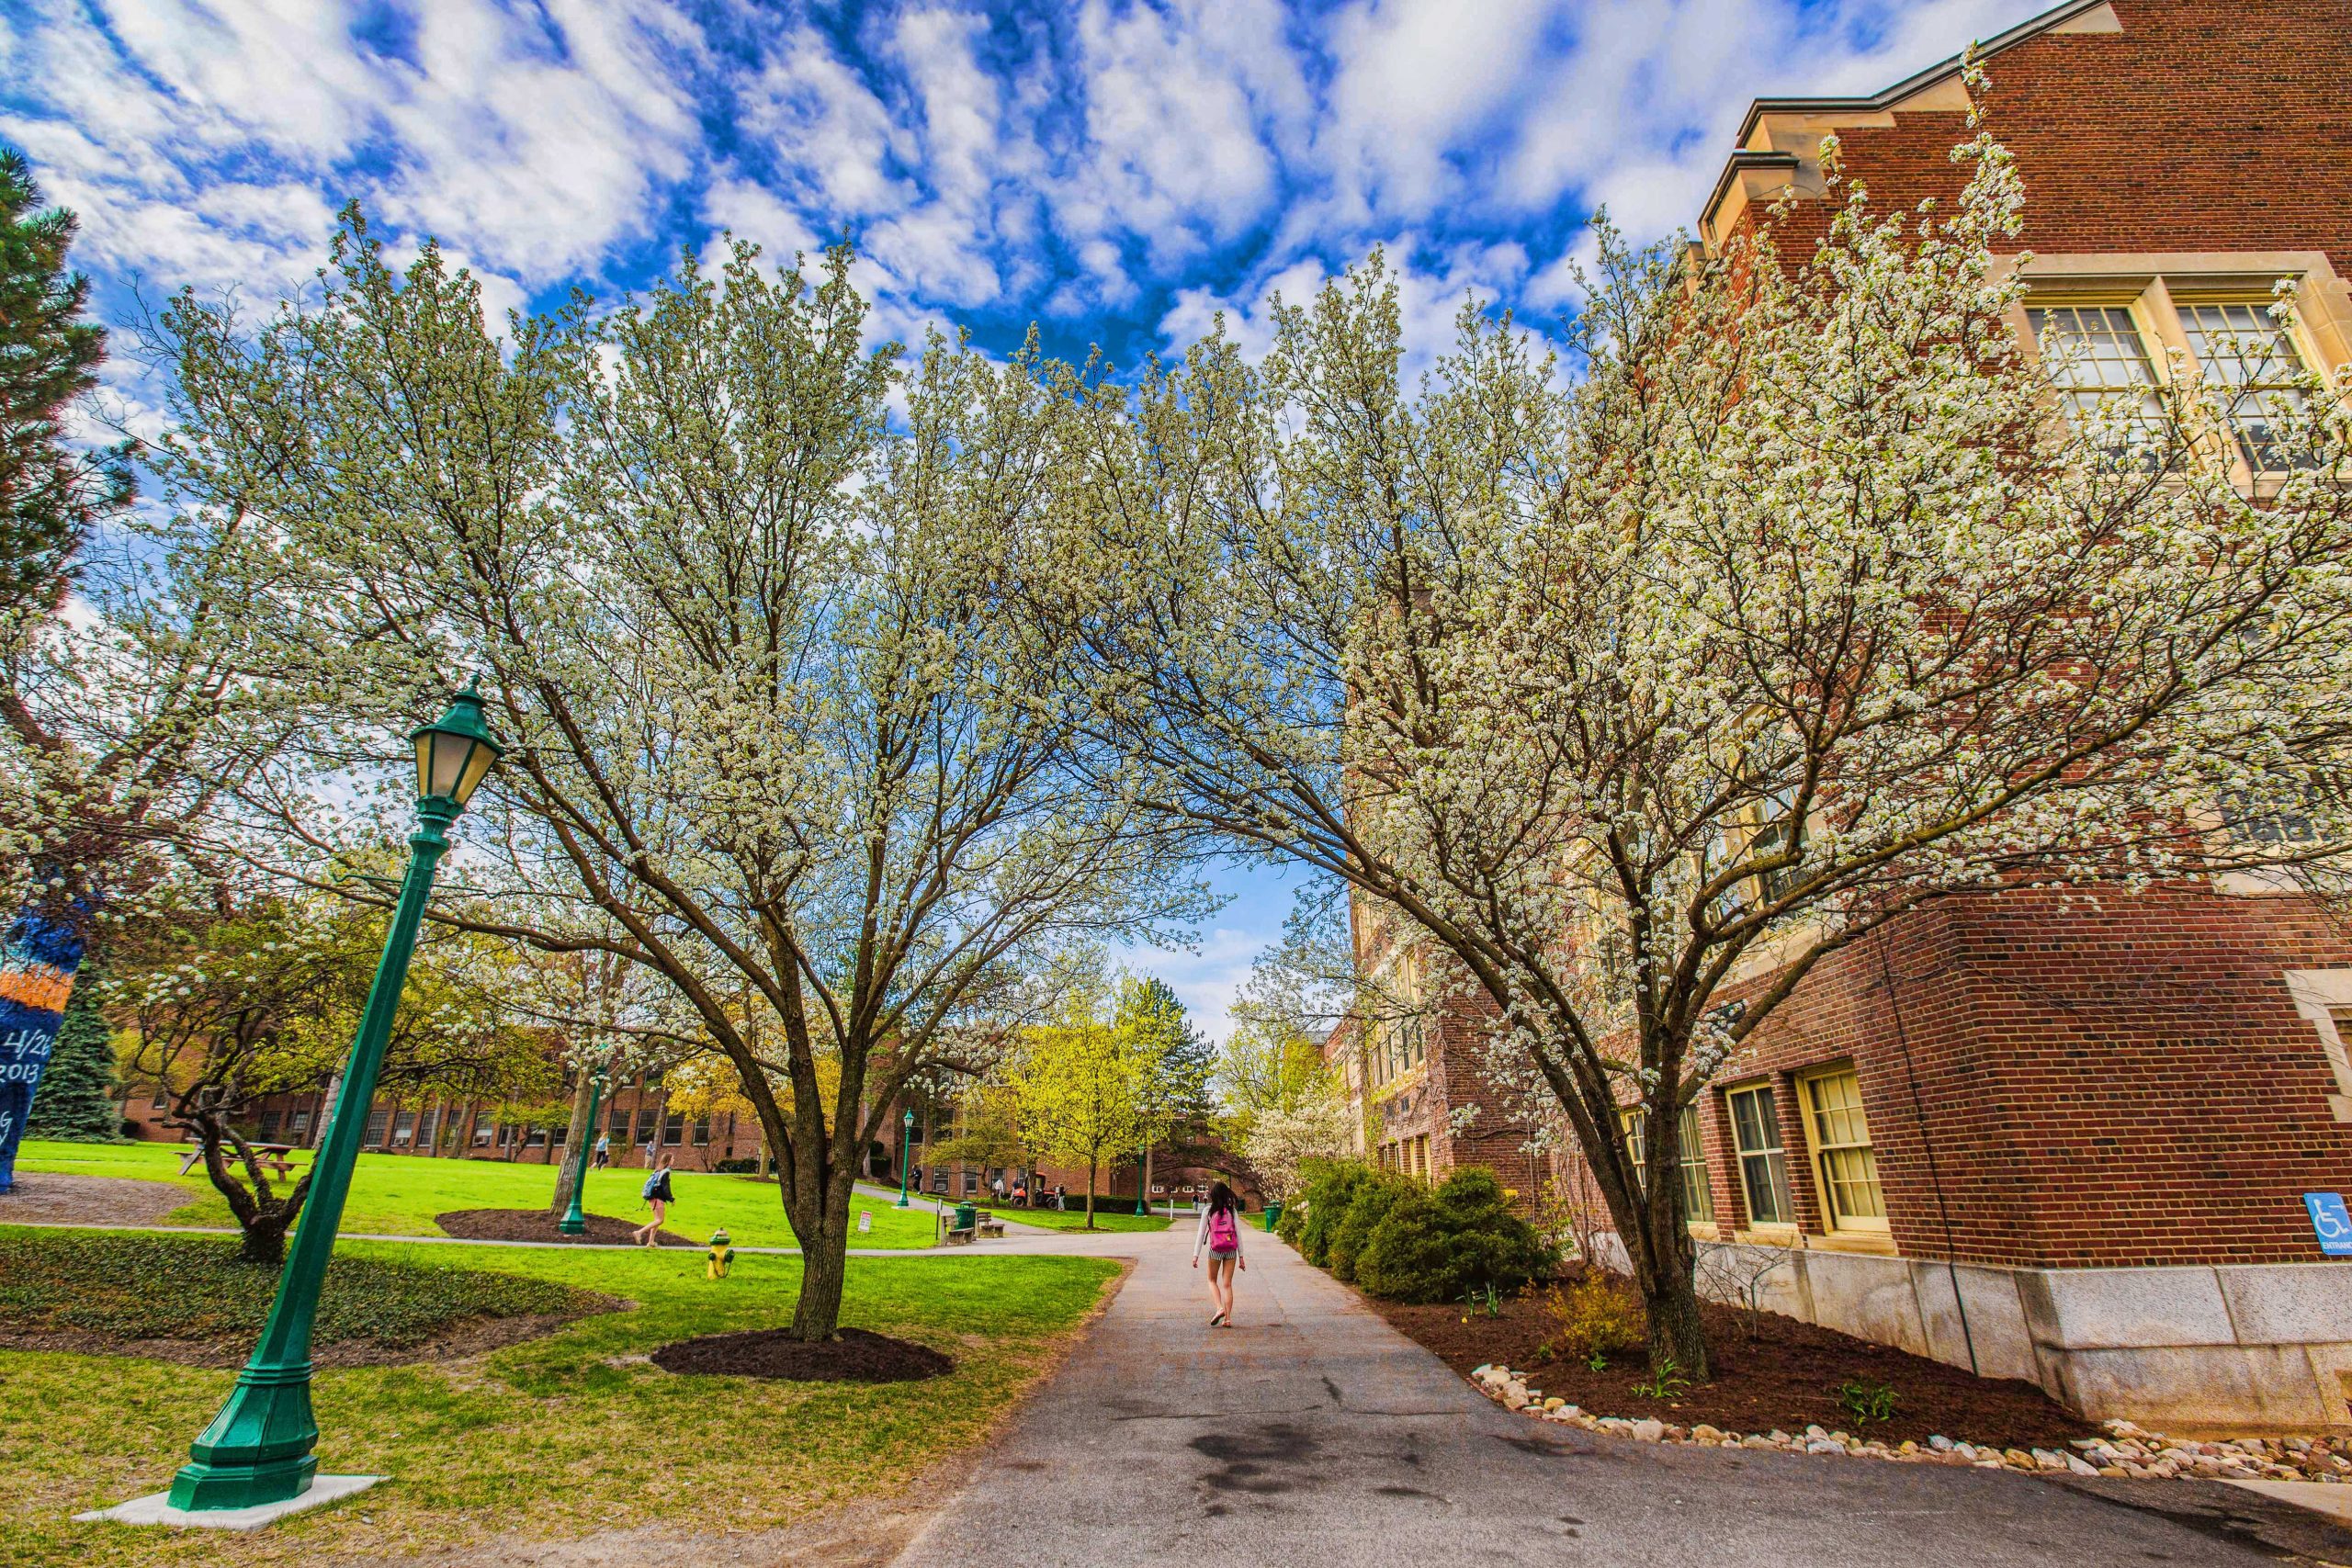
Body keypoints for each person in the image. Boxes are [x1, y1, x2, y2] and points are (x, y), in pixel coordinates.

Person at [1192, 1181, 1246, 1326]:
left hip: (1215, 1250)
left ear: (1213, 1195)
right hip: (1231, 1250)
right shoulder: (1232, 1211)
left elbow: (1201, 1234)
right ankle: (1227, 1319)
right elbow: (1238, 1234)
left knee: (1211, 1280)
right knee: (1227, 1284)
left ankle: (1219, 1308)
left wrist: (1196, 1255)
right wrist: (1241, 1256)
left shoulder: (1208, 1211)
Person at [634, 1155, 674, 1247]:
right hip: (658, 1199)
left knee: (657, 1220)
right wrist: (671, 1199)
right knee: (660, 1220)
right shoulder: (666, 1172)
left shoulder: (658, 1170)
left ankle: (651, 1241)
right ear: (668, 1160)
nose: (673, 1160)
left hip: (653, 1198)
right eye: (672, 1158)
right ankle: (639, 1232)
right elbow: (666, 1188)